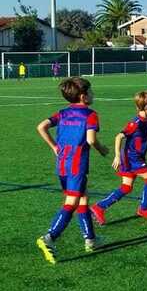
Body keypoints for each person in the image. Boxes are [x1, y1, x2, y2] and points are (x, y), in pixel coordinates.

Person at [35, 77, 109, 264]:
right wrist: (102, 149)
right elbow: (91, 140)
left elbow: (41, 126)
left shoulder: (63, 113)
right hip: (77, 165)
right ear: (83, 96)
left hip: (62, 164)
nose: (93, 94)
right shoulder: (90, 114)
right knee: (72, 201)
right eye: (91, 92)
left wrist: (53, 146)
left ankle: (90, 240)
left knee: (83, 198)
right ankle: (50, 238)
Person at [91, 91, 147, 224]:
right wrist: (117, 156)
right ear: (146, 108)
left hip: (134, 157)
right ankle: (144, 208)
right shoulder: (135, 123)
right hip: (132, 158)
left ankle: (99, 207)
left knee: (126, 187)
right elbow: (119, 136)